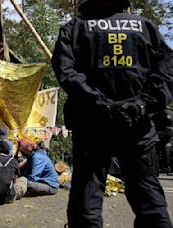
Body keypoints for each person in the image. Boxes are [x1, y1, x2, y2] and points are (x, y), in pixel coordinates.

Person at [52, 0, 173, 227]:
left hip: (91, 125)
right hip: (137, 125)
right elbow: (167, 70)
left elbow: (66, 72)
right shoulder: (145, 27)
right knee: (150, 200)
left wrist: (98, 103)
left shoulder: (75, 27)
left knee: (86, 200)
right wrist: (143, 104)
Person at [152, 107, 173, 175]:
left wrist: (161, 134)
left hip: (167, 137)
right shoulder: (157, 113)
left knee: (166, 148)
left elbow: (170, 129)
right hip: (158, 137)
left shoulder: (167, 113)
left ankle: (167, 167)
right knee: (156, 150)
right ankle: (157, 169)